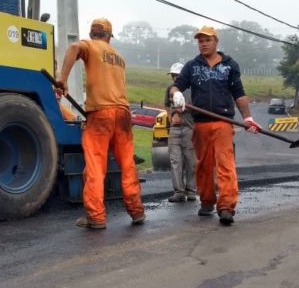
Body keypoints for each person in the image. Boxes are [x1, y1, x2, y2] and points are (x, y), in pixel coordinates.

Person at [56, 18, 145, 229]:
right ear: (108, 36)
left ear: (92, 33)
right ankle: (136, 211)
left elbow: (74, 47)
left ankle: (96, 217)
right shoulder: (119, 57)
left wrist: (63, 79)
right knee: (127, 164)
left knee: (95, 166)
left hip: (101, 113)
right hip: (122, 114)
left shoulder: (90, 46)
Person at [169, 26, 261, 225]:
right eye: (200, 41)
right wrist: (175, 93)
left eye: (207, 40)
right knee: (203, 165)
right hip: (200, 123)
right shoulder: (192, 66)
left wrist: (247, 118)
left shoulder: (230, 65)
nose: (203, 44)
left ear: (216, 42)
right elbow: (177, 85)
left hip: (223, 122)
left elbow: (239, 93)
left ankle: (226, 206)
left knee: (225, 164)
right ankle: (207, 201)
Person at [163, 62, 197, 202]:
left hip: (189, 128)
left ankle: (191, 191)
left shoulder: (193, 89)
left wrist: (182, 109)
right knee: (175, 161)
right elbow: (166, 104)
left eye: (178, 75)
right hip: (175, 130)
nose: (175, 78)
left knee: (191, 161)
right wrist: (171, 116)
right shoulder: (170, 89)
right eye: (173, 76)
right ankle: (179, 192)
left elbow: (197, 107)